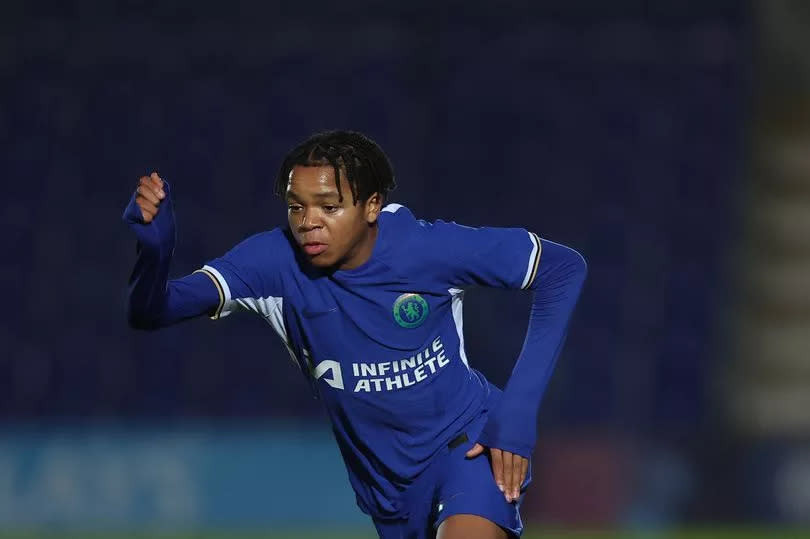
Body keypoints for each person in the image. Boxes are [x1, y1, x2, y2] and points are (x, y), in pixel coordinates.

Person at [123, 130, 587, 539]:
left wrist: (517, 415)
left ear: (371, 206)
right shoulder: (270, 265)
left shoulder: (427, 249)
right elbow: (153, 312)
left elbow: (563, 269)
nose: (308, 221)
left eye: (329, 206)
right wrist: (155, 253)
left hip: (468, 447)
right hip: (385, 488)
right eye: (296, 206)